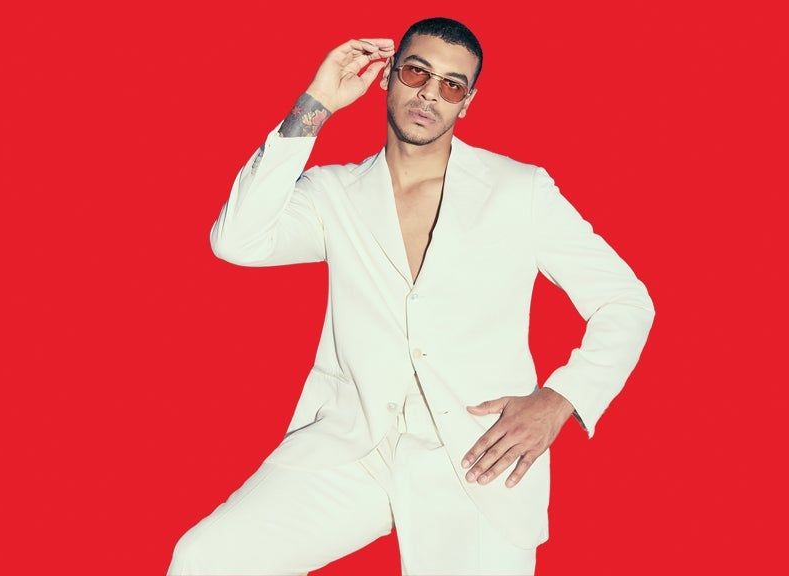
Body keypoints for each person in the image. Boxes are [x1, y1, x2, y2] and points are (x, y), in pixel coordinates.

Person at [167, 16, 655, 576]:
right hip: (352, 446)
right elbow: (237, 240)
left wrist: (560, 399)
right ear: (388, 76)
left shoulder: (519, 191)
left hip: (477, 456)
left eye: (452, 85)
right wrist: (316, 102)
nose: (430, 94)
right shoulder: (335, 193)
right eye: (417, 73)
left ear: (467, 103)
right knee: (206, 560)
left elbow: (625, 301)